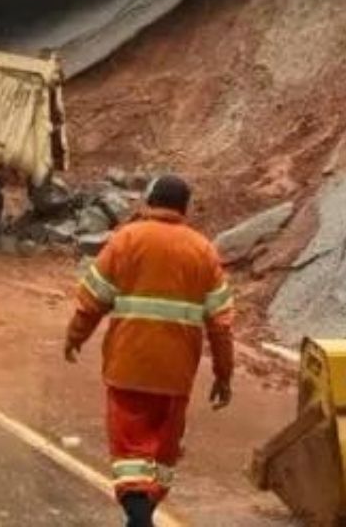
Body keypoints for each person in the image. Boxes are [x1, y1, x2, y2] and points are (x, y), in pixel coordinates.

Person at [65, 174, 234, 527]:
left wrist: (75, 336)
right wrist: (223, 374)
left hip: (127, 368)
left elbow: (92, 301)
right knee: (161, 459)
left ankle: (139, 519)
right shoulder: (202, 250)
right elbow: (221, 324)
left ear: (149, 202)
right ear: (185, 209)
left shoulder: (125, 240)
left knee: (129, 457)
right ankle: (140, 517)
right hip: (175, 376)